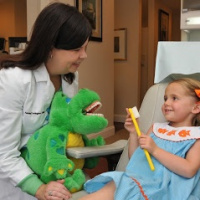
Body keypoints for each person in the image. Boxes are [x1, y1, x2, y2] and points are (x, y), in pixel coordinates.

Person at [0, 2, 92, 200]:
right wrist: (38, 188)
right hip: (16, 177)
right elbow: (4, 153)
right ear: (50, 46)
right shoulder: (14, 79)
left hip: (51, 166)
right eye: (77, 49)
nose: (84, 56)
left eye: (85, 47)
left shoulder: (70, 77)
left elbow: (60, 126)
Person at [80, 78, 200, 200]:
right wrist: (133, 133)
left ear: (195, 108)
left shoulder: (196, 136)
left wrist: (155, 150)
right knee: (116, 186)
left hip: (168, 192)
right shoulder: (156, 129)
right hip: (140, 182)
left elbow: (189, 170)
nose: (166, 103)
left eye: (174, 98)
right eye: (165, 98)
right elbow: (136, 158)